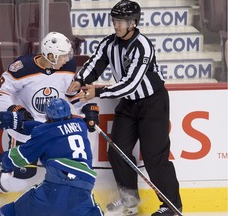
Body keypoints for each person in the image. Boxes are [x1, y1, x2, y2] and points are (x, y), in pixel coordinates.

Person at [67, 1, 182, 215]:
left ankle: (171, 206)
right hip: (129, 105)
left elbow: (132, 83)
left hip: (153, 104)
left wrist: (97, 92)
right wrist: (80, 79)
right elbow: (95, 63)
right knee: (118, 151)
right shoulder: (110, 43)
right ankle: (129, 199)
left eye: (121, 21)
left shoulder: (143, 46)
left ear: (133, 23)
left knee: (154, 157)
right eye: (114, 21)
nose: (116, 25)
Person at [0, 32, 85, 216]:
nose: (68, 59)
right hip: (26, 133)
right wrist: (15, 110)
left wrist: (86, 107)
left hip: (54, 133)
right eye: (63, 55)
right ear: (52, 56)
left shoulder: (68, 66)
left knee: (64, 173)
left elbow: (70, 93)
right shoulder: (23, 67)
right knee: (19, 180)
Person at [0, 98, 103, 216]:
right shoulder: (81, 125)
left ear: (48, 117)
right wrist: (21, 124)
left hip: (56, 186)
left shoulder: (44, 133)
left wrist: (4, 161)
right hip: (85, 188)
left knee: (11, 211)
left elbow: (20, 156)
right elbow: (54, 130)